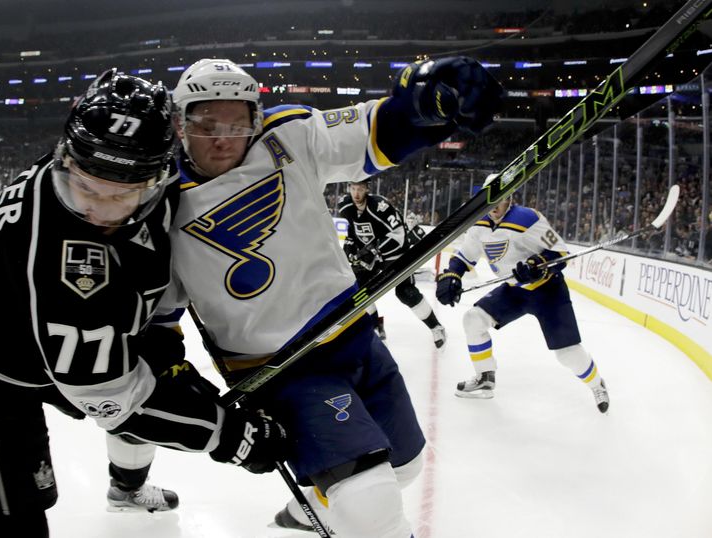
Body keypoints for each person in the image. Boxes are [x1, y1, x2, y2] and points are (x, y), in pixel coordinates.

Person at [152, 57, 502, 537]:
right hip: (281, 369)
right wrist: (179, 384)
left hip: (355, 337)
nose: (223, 139)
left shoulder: (287, 134)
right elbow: (159, 319)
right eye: (206, 125)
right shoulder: (159, 206)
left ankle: (305, 513)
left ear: (256, 118)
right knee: (369, 503)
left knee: (405, 466)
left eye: (238, 124)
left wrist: (427, 107)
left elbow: (375, 132)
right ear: (180, 123)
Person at [0, 70, 286, 538]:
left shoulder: (102, 159)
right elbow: (114, 399)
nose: (97, 210)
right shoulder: (67, 266)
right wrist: (230, 436)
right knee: (14, 517)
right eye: (86, 187)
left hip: (49, 333)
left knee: (157, 395)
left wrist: (161, 353)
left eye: (120, 194)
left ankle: (126, 488)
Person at [434, 177, 610, 413]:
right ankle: (485, 377)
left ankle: (597, 384)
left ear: (509, 198)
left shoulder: (527, 218)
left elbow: (560, 253)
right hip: (514, 290)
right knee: (473, 319)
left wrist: (537, 265)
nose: (494, 205)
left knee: (567, 354)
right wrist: (452, 275)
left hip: (548, 291)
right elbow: (465, 255)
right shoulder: (479, 223)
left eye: (499, 199)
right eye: (490, 199)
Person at [337, 179, 446, 347]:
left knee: (405, 292)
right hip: (372, 254)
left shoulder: (380, 206)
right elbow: (353, 231)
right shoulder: (346, 206)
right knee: (358, 290)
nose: (356, 193)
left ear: (367, 189)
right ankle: (375, 325)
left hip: (394, 252)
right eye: (353, 188)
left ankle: (436, 327)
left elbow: (399, 235)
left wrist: (375, 251)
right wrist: (350, 246)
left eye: (360, 189)